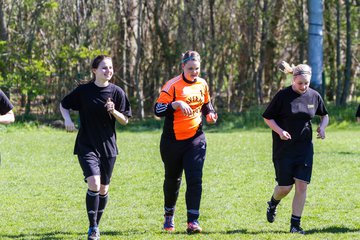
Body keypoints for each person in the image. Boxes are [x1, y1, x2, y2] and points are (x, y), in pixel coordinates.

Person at [60, 55, 132, 240]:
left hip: (108, 147)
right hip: (86, 144)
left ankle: (96, 225)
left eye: (110, 68)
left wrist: (113, 110)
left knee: (103, 189)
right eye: (104, 68)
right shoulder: (84, 91)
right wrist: (67, 120)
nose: (108, 71)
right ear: (94, 70)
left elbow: (124, 120)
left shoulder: (117, 92)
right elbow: (64, 104)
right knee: (94, 183)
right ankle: (93, 228)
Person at [154, 50, 218, 234]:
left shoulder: (202, 83)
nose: (194, 72)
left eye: (197, 68)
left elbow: (207, 104)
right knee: (173, 180)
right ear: (183, 67)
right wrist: (175, 104)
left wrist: (210, 115)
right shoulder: (173, 85)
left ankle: (193, 221)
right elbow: (158, 109)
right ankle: (169, 215)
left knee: (195, 179)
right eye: (190, 68)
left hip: (195, 140)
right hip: (172, 142)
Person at [262, 61, 329, 234]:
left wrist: (322, 127)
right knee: (285, 187)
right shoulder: (282, 96)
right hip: (283, 149)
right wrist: (280, 131)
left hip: (304, 148)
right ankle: (273, 203)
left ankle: (295, 225)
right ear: (293, 80)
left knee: (301, 186)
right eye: (300, 83)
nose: (304, 86)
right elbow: (268, 118)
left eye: (306, 83)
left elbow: (325, 115)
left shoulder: (314, 95)